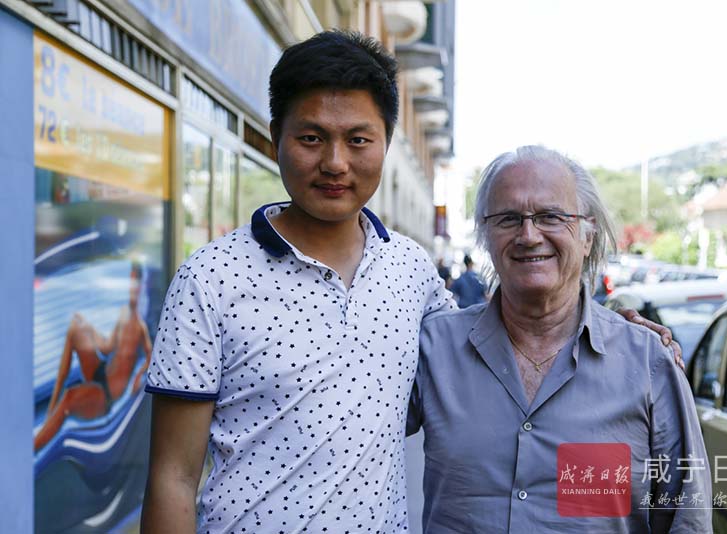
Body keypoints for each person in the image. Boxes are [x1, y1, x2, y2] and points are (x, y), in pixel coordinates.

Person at [141, 32, 680, 533]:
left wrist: (612, 333)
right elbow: (173, 478)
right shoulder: (210, 277)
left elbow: (492, 338)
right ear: (274, 137)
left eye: (358, 139)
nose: (335, 162)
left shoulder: (411, 270)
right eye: (311, 137)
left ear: (386, 143)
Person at [407, 145, 711, 533]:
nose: (529, 235)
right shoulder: (434, 349)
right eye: (508, 218)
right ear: (485, 236)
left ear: (587, 236)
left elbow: (687, 517)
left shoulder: (647, 362)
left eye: (550, 217)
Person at [34, 261, 152, 451]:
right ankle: (50, 411)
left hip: (107, 393)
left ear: (141, 288)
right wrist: (89, 329)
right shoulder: (123, 314)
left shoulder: (140, 327)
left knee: (69, 398)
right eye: (130, 285)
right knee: (76, 328)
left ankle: (30, 448)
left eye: (135, 286)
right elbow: (106, 348)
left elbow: (151, 357)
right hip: (102, 371)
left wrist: (138, 375)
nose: (132, 290)